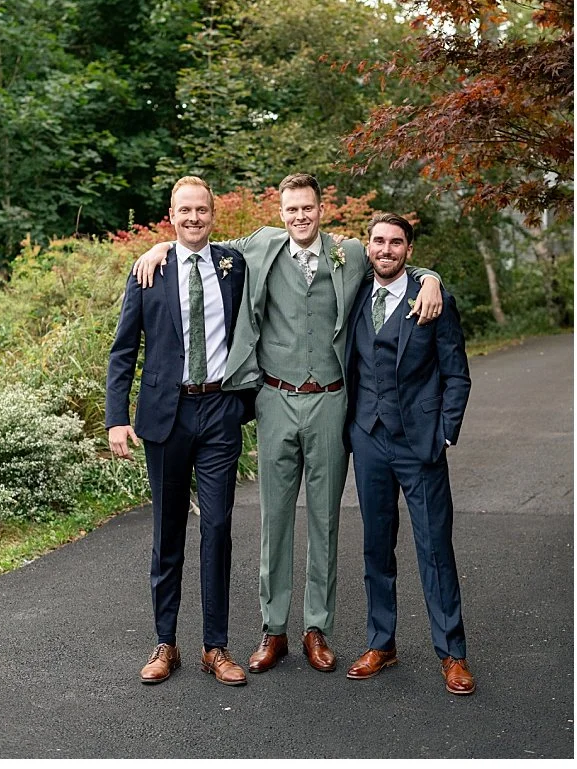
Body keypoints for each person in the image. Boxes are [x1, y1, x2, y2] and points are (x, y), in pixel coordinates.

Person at [133, 173, 442, 674]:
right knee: (274, 520)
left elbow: (393, 261)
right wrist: (158, 249)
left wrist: (431, 278)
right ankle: (273, 629)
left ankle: (316, 628)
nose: (300, 216)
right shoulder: (259, 247)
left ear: (322, 210)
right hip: (275, 399)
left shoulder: (349, 253)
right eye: (291, 209)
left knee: (325, 520)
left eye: (308, 208)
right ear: (281, 213)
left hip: (331, 401)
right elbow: (199, 243)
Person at [107, 176, 254, 686]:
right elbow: (123, 348)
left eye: (202, 210)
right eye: (184, 211)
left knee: (217, 527)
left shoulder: (234, 266)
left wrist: (427, 274)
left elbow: (290, 244)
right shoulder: (148, 271)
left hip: (219, 411)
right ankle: (165, 642)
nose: (193, 218)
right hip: (165, 416)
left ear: (214, 215)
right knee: (168, 531)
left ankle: (216, 647)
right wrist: (116, 417)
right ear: (171, 215)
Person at [343, 212, 474, 694]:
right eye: (378, 241)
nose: (386, 249)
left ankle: (452, 653)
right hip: (368, 437)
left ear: (409, 250)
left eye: (396, 242)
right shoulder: (355, 293)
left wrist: (444, 434)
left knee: (435, 547)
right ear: (367, 246)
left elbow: (456, 373)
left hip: (420, 443)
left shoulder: (433, 298)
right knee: (376, 546)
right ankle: (382, 643)